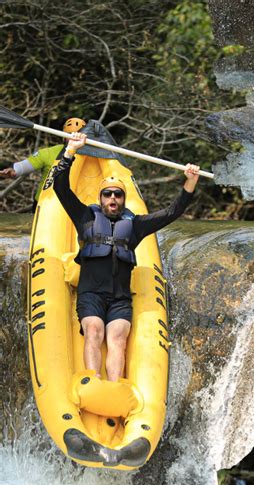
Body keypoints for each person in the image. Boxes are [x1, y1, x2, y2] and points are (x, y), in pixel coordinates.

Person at [53, 131, 200, 382]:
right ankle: (93, 380)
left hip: (120, 298)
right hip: (91, 294)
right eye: (108, 194)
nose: (113, 198)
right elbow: (61, 187)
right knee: (94, 330)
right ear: (100, 199)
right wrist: (71, 151)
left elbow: (173, 212)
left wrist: (189, 182)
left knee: (118, 339)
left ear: (123, 199)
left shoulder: (136, 225)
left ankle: (114, 387)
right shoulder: (86, 217)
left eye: (117, 194)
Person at [0, 118, 87, 211]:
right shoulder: (49, 153)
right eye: (69, 134)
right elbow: (24, 166)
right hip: (45, 204)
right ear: (63, 136)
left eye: (78, 134)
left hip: (75, 206)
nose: (74, 138)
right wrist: (14, 171)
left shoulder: (93, 158)